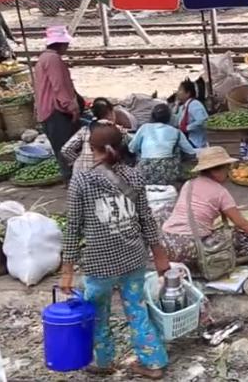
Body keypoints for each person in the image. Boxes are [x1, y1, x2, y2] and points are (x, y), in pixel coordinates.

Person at [59, 125, 170, 379]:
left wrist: (67, 272)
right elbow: (147, 220)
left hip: (99, 266)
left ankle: (103, 360)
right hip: (134, 260)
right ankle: (153, 362)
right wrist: (160, 256)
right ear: (122, 147)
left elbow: (73, 228)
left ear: (90, 149)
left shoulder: (82, 180)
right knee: (137, 310)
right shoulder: (135, 176)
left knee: (98, 314)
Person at [161, 147, 248, 266]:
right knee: (238, 235)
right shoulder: (220, 192)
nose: (228, 172)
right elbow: (242, 224)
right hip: (189, 247)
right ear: (216, 171)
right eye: (227, 168)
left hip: (166, 243)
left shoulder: (189, 184)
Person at [34, 26, 80, 179]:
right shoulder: (53, 59)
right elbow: (59, 86)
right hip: (55, 111)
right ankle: (72, 180)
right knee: (65, 148)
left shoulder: (44, 57)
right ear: (61, 44)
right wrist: (72, 107)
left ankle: (71, 178)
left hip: (46, 110)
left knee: (61, 147)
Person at [129, 103, 197, 185]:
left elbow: (131, 148)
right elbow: (191, 152)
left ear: (152, 116)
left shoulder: (144, 128)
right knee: (177, 148)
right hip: (167, 172)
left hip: (144, 171)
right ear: (169, 117)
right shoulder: (176, 132)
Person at [61, 97, 130, 177]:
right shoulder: (116, 130)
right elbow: (129, 148)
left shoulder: (84, 130)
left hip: (82, 173)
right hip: (108, 176)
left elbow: (65, 150)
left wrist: (78, 161)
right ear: (110, 113)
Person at [173, 78, 208, 149]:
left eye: (180, 90)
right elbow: (175, 122)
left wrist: (187, 128)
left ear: (188, 93)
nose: (177, 92)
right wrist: (176, 106)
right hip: (187, 140)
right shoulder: (183, 107)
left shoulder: (195, 104)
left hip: (195, 142)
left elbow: (202, 121)